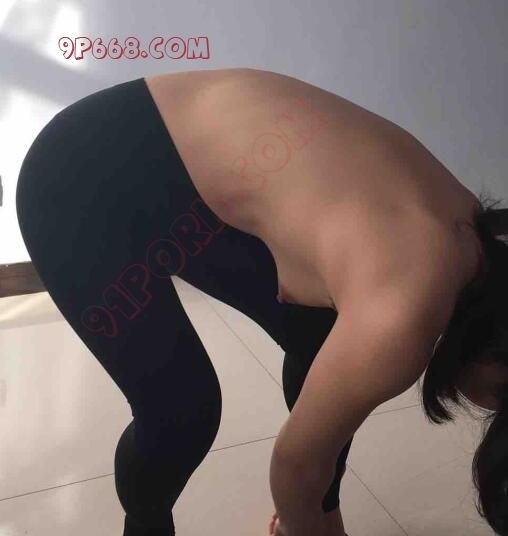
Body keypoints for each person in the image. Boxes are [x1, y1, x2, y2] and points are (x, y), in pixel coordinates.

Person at [14, 67, 508, 536]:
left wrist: (315, 513)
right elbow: (294, 465)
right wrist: (300, 521)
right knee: (181, 411)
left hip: (179, 179)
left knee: (320, 342)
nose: (484, 411)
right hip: (77, 179)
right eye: (499, 406)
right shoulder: (400, 311)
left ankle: (325, 513)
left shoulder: (471, 234)